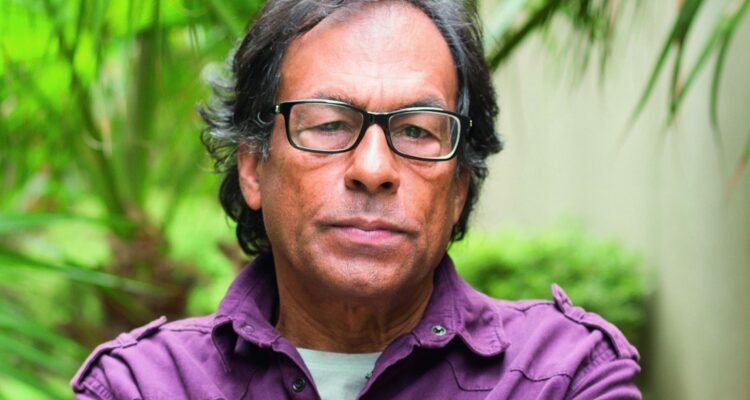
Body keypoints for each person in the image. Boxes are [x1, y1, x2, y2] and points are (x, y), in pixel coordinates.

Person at [71, 1, 641, 399]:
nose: (373, 169)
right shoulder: (141, 385)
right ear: (252, 167)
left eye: (416, 130)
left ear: (459, 185)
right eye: (328, 124)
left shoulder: (563, 374)